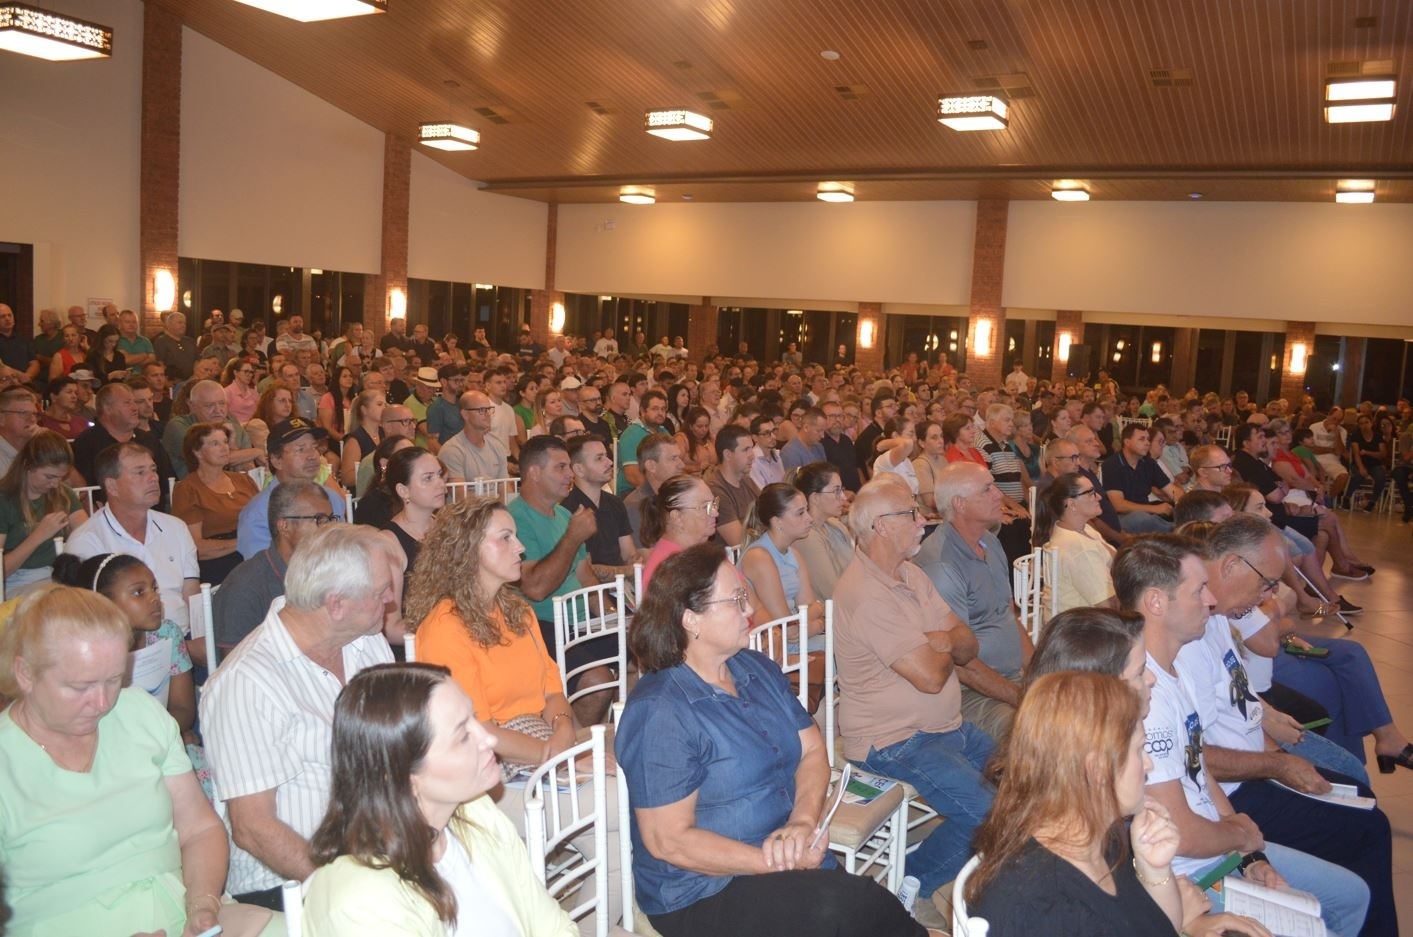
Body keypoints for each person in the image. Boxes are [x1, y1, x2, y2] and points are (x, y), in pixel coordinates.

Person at [616, 543, 931, 937]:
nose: (750, 609)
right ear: (691, 619)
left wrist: (802, 822)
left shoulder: (754, 668)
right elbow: (669, 842)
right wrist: (776, 861)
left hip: (781, 850)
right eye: (736, 600)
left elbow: (813, 749)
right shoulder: (660, 710)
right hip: (701, 889)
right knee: (850, 907)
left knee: (862, 908)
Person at [1111, 535, 1371, 936]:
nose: (1211, 600)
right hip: (1188, 875)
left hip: (1219, 847)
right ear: (1157, 603)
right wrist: (1238, 835)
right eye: (1198, 591)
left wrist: (1250, 855)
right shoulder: (1149, 694)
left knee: (1352, 895)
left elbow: (1198, 769)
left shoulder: (1171, 670)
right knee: (1323, 919)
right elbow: (1181, 832)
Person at [405, 495, 622, 927]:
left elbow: (553, 691)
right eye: (505, 538)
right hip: (489, 776)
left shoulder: (516, 609)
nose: (520, 547)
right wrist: (558, 755)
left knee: (621, 828)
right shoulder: (445, 627)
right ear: (468, 550)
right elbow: (478, 730)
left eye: (516, 536)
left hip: (541, 747)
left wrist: (563, 730)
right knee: (623, 800)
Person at [0, 586, 258, 937]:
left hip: (180, 907)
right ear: (25, 674)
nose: (102, 702)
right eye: (80, 687)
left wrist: (202, 905)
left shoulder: (139, 711)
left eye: (114, 680)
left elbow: (198, 828)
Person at [200, 525, 398, 910]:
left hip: (376, 853)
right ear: (336, 604)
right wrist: (344, 891)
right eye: (380, 592)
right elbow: (254, 828)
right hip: (293, 880)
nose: (390, 599)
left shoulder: (364, 639)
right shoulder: (247, 683)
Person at [302, 663, 578, 936]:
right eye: (463, 736)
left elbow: (553, 927)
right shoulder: (360, 906)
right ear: (404, 776)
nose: (489, 740)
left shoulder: (474, 809)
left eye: (474, 717)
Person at [831, 477, 992, 924]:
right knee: (990, 815)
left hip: (947, 728)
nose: (923, 521)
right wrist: (941, 642)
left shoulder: (911, 574)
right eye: (911, 513)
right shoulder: (864, 593)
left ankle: (976, 873)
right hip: (894, 741)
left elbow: (968, 644)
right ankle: (905, 882)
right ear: (881, 525)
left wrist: (940, 640)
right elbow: (931, 677)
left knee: (1026, 780)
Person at [968, 672, 1191, 936]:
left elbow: (1161, 927)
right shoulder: (1046, 908)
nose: (1149, 764)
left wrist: (1154, 869)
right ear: (1097, 769)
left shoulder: (1096, 834)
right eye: (1139, 749)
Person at [915, 462, 1034, 741]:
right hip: (969, 693)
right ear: (960, 504)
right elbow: (959, 663)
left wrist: (1037, 675)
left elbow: (1008, 614)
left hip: (1010, 679)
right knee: (1031, 733)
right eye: (987, 489)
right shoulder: (942, 565)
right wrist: (1021, 696)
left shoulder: (989, 542)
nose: (998, 494)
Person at [65, 442, 200, 633]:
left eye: (153, 470)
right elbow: (90, 619)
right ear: (112, 486)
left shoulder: (176, 528)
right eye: (140, 472)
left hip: (184, 638)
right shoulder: (86, 541)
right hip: (127, 643)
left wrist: (198, 639)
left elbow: (191, 596)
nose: (153, 478)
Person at [236, 417, 346, 559]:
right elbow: (261, 566)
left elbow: (342, 550)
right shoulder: (258, 513)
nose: (313, 456)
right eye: (301, 449)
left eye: (314, 447)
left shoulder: (332, 498)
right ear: (276, 460)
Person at [0, 430, 88, 596]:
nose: (55, 484)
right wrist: (39, 535)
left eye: (61, 478)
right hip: (15, 582)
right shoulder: (4, 499)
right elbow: (1, 571)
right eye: (49, 477)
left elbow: (87, 535)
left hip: (57, 577)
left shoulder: (63, 494)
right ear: (28, 465)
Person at [171, 421, 259, 584]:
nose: (224, 448)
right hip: (219, 563)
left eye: (225, 442)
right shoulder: (187, 489)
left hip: (254, 552)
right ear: (197, 452)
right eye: (215, 444)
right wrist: (244, 541)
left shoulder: (244, 480)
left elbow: (265, 519)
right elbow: (196, 548)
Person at [739, 483, 825, 643]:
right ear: (777, 521)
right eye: (800, 513)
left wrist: (813, 614)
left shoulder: (794, 554)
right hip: (773, 647)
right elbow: (788, 630)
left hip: (801, 636)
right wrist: (819, 625)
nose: (810, 518)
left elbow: (811, 606)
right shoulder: (759, 558)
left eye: (807, 510)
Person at [1033, 471, 1117, 612]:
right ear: (1071, 504)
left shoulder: (1082, 528)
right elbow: (1108, 605)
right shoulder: (1077, 547)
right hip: (1082, 622)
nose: (1099, 497)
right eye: (1091, 493)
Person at [562, 433, 637, 571]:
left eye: (606, 456)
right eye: (599, 458)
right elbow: (583, 570)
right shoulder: (567, 510)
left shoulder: (615, 503)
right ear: (579, 469)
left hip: (621, 580)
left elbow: (629, 554)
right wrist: (627, 572)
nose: (610, 462)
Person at [378, 446, 446, 594]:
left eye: (439, 475)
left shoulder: (447, 527)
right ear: (403, 491)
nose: (441, 484)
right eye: (428, 478)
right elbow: (391, 608)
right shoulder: (389, 542)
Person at [640, 475, 718, 594]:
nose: (715, 513)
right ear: (677, 517)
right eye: (705, 507)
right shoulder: (667, 570)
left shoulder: (699, 552)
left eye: (714, 504)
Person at [791, 461, 853, 600]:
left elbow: (857, 570)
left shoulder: (836, 526)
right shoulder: (807, 538)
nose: (844, 497)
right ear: (816, 498)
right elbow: (832, 592)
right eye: (836, 491)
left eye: (842, 490)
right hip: (832, 610)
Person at [704, 424, 758, 548]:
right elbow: (740, 543)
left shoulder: (746, 480)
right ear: (728, 454)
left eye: (752, 448)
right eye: (745, 450)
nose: (752, 456)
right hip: (736, 556)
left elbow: (769, 513)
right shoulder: (715, 491)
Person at [438, 389, 510, 483]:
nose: (487, 414)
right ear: (465, 414)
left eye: (489, 409)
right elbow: (460, 491)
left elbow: (505, 487)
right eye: (481, 410)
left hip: (494, 493)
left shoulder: (497, 446)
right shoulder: (452, 450)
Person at [339, 387, 386, 488]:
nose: (384, 408)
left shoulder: (384, 433)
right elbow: (347, 478)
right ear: (364, 410)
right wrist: (376, 470)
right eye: (379, 404)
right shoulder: (355, 440)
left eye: (384, 405)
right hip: (364, 492)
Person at [39, 375, 89, 440]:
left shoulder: (82, 423)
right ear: (53, 397)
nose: (74, 396)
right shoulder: (41, 423)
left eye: (76, 393)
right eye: (69, 392)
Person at [676, 405, 718, 474]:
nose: (704, 429)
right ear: (690, 426)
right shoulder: (681, 439)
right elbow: (675, 464)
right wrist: (696, 467)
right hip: (689, 478)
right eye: (699, 426)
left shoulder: (710, 438)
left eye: (706, 426)